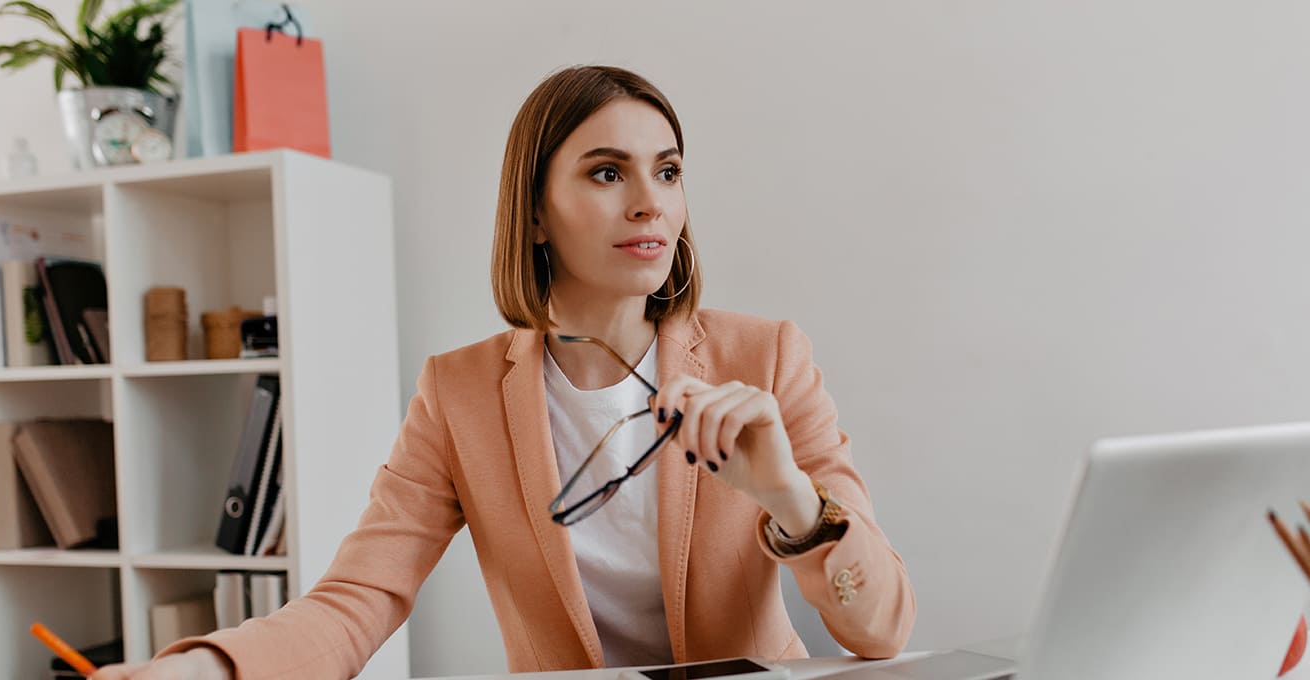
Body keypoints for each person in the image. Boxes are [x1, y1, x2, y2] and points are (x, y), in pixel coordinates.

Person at [94, 65, 916, 680]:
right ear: (534, 214)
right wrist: (207, 668)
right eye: (607, 172)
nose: (651, 202)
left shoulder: (766, 358)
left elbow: (882, 632)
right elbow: (360, 598)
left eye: (668, 171)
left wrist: (791, 500)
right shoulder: (458, 394)